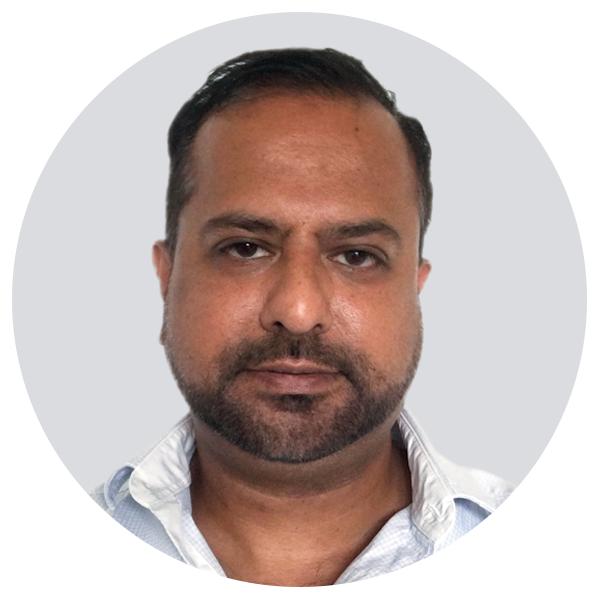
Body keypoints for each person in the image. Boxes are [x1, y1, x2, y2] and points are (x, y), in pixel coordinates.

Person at [10, 48, 587, 588]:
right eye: (245, 248)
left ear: (415, 289)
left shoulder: (572, 569)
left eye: (356, 256)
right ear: (167, 280)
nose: (298, 311)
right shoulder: (28, 572)